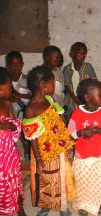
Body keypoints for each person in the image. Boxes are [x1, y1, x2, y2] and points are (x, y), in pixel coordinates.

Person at [22, 66, 75, 216]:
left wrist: (66, 138)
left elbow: (57, 121)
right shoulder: (31, 109)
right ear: (44, 86)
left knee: (60, 177)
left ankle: (62, 205)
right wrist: (38, 158)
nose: (55, 86)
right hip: (43, 153)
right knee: (45, 179)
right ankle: (46, 205)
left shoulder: (48, 99)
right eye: (53, 83)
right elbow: (32, 137)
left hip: (57, 148)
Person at [68, 79, 101, 216]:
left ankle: (97, 202)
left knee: (100, 180)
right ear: (88, 97)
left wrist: (97, 130)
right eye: (100, 94)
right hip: (83, 155)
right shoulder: (77, 113)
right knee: (83, 181)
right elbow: (70, 134)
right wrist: (82, 132)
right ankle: (84, 205)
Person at [0, 67, 27, 216]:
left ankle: (20, 210)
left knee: (14, 184)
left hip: (8, 155)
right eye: (9, 85)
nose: (10, 88)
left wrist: (10, 125)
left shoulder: (7, 103)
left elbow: (17, 127)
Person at [5, 51, 31, 160]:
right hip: (10, 115)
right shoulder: (5, 81)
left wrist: (20, 95)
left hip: (24, 114)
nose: (16, 67)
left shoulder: (28, 80)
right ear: (8, 66)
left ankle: (27, 153)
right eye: (13, 64)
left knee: (25, 138)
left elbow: (33, 95)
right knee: (12, 137)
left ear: (22, 64)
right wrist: (8, 99)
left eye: (19, 64)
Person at [63, 42, 97, 117]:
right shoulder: (67, 69)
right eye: (80, 54)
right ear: (72, 54)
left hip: (87, 101)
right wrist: (75, 99)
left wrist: (85, 98)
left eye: (84, 55)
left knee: (86, 118)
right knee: (73, 119)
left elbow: (94, 84)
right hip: (72, 101)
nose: (83, 57)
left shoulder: (88, 67)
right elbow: (66, 86)